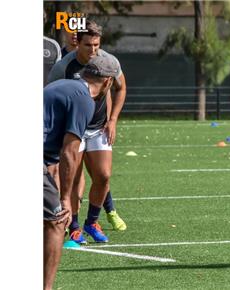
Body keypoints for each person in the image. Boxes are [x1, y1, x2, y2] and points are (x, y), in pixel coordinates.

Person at [48, 20, 127, 244]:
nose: (93, 50)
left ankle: (91, 222)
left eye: (96, 45)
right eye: (88, 45)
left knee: (103, 176)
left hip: (99, 127)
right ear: (77, 43)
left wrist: (112, 120)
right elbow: (51, 95)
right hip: (73, 129)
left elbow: (121, 87)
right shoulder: (63, 67)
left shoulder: (109, 61)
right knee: (72, 179)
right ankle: (73, 226)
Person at [44, 55, 118, 290]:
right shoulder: (84, 99)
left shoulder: (63, 86)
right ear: (107, 82)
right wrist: (66, 197)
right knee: (56, 222)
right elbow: (69, 150)